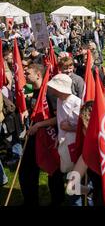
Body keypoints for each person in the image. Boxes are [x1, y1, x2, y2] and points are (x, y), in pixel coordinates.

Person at [19, 64, 65, 206]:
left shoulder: (50, 92)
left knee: (54, 173)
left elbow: (59, 117)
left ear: (38, 75)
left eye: (28, 73)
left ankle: (57, 201)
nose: (25, 75)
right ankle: (30, 201)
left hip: (50, 138)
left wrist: (39, 125)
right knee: (26, 172)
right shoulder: (36, 90)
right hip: (36, 138)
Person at [47, 73, 82, 206]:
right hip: (64, 144)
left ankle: (78, 202)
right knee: (69, 175)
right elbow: (60, 120)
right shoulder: (60, 101)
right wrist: (60, 135)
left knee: (75, 179)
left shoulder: (76, 102)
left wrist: (71, 128)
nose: (52, 89)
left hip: (75, 146)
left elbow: (84, 125)